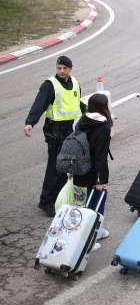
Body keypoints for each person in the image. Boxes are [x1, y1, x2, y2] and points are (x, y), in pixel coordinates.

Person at [24, 56, 85, 217]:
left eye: (65, 68)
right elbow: (39, 104)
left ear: (70, 69)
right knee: (55, 166)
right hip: (54, 130)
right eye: (59, 68)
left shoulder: (75, 83)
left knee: (65, 166)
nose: (61, 71)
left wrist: (91, 112)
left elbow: (77, 102)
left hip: (68, 129)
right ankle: (46, 202)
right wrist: (30, 122)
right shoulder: (50, 85)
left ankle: (59, 197)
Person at [72, 93, 112, 251]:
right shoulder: (103, 127)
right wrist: (102, 179)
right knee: (96, 202)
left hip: (78, 169)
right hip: (92, 172)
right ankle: (91, 237)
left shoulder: (81, 121)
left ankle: (83, 233)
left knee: (81, 204)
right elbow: (100, 157)